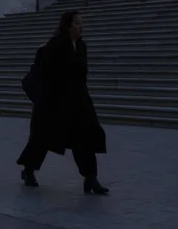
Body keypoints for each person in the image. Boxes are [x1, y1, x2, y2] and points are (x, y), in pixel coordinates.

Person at [17, 10, 109, 194]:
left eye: (82, 23)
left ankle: (90, 178)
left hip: (79, 101)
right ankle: (28, 170)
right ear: (67, 25)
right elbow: (45, 73)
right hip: (54, 102)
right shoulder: (54, 46)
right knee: (41, 139)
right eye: (77, 23)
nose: (81, 26)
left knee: (85, 137)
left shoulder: (81, 46)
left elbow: (82, 75)